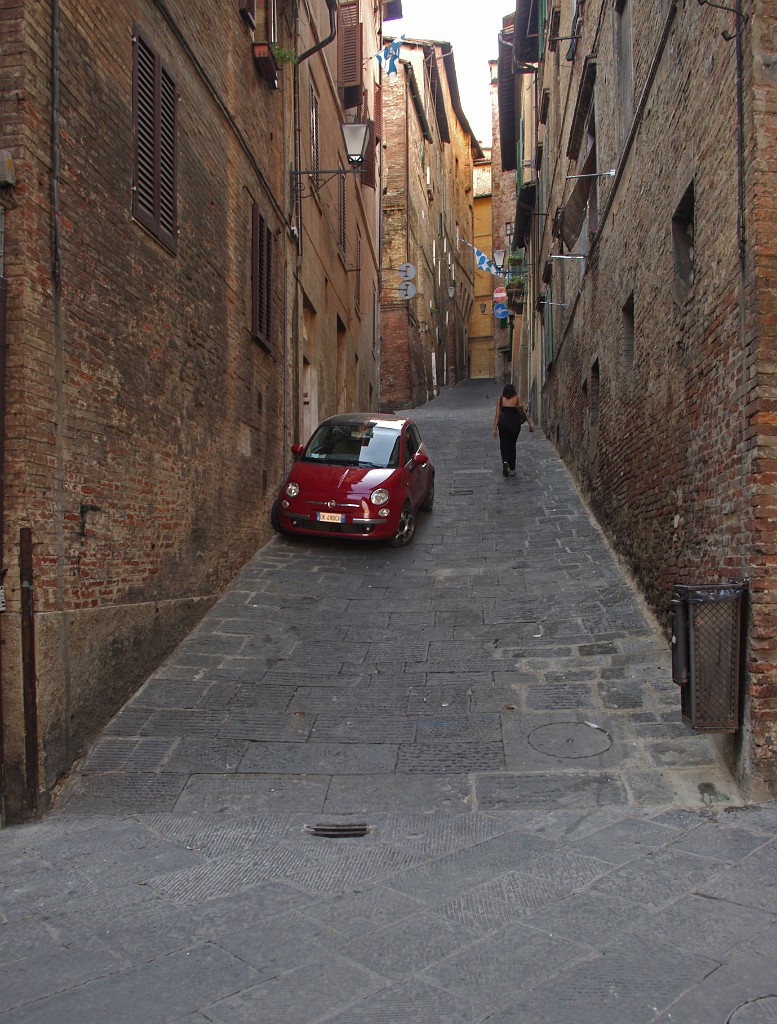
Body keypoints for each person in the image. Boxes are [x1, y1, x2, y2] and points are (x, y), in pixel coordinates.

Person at [492, 383, 534, 477]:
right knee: (512, 445)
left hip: (503, 424)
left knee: (504, 444)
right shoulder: (517, 399)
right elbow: (523, 412)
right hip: (514, 424)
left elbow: (497, 415)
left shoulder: (500, 399)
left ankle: (505, 462)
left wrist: (495, 429)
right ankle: (512, 469)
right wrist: (530, 423)